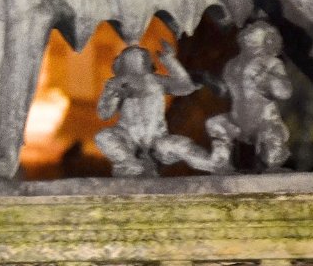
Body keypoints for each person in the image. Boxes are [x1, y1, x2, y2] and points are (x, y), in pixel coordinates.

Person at [95, 44, 227, 176]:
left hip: (156, 138)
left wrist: (170, 61)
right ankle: (128, 162)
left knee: (179, 145)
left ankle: (212, 163)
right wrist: (111, 94)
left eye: (139, 56)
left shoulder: (156, 81)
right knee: (104, 136)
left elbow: (184, 86)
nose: (134, 60)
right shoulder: (116, 83)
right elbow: (104, 113)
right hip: (126, 135)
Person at [206, 19, 294, 172]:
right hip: (237, 119)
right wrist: (207, 80)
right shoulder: (232, 64)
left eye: (256, 29)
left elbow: (285, 92)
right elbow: (225, 91)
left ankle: (273, 165)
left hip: (264, 120)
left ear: (268, 39)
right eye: (249, 29)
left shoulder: (272, 63)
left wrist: (269, 80)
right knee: (215, 123)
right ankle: (221, 163)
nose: (249, 30)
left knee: (271, 136)